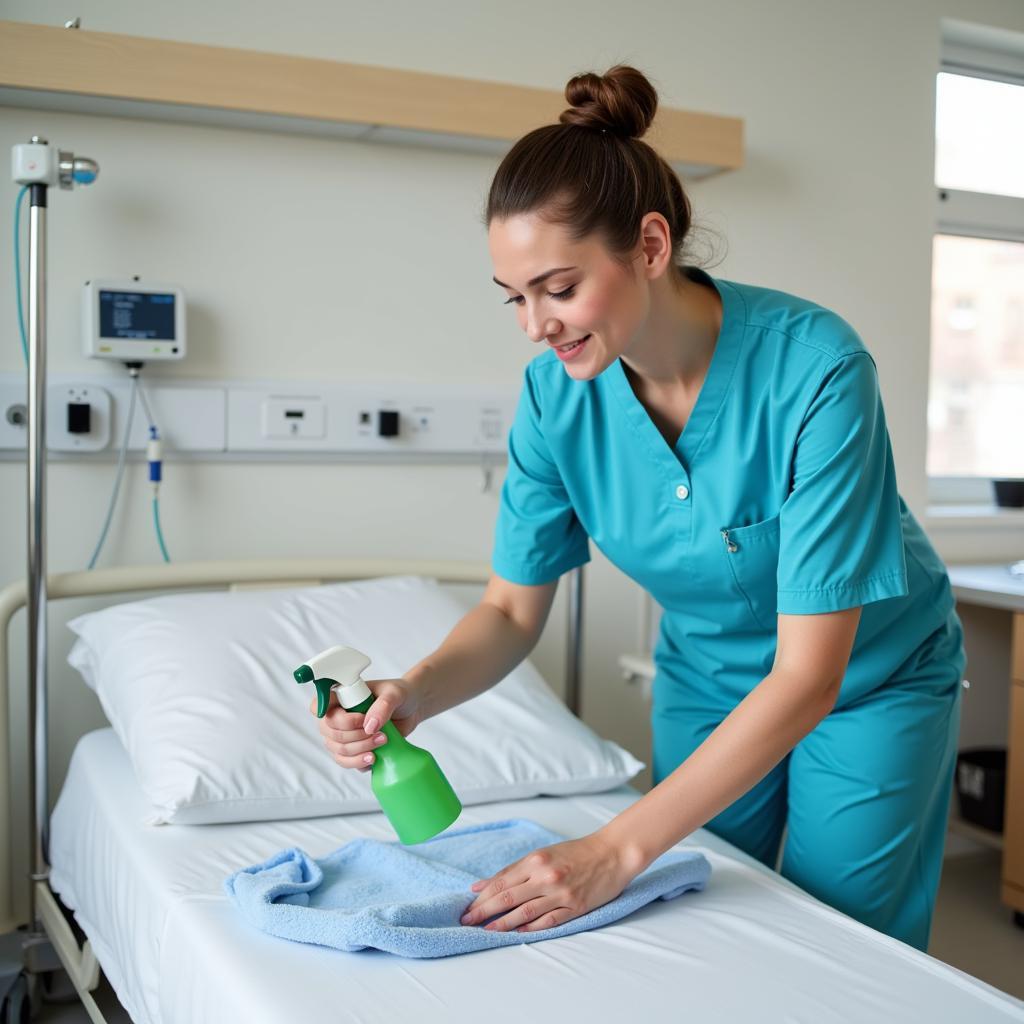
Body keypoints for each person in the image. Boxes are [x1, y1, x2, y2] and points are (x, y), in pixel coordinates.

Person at [312, 65, 965, 953]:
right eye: (515, 297)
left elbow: (810, 675)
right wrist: (416, 692)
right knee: (701, 916)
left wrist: (615, 848)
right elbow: (510, 609)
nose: (535, 325)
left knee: (839, 936)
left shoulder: (817, 371)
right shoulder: (555, 399)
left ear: (650, 247)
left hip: (867, 682)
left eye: (559, 287)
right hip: (707, 677)